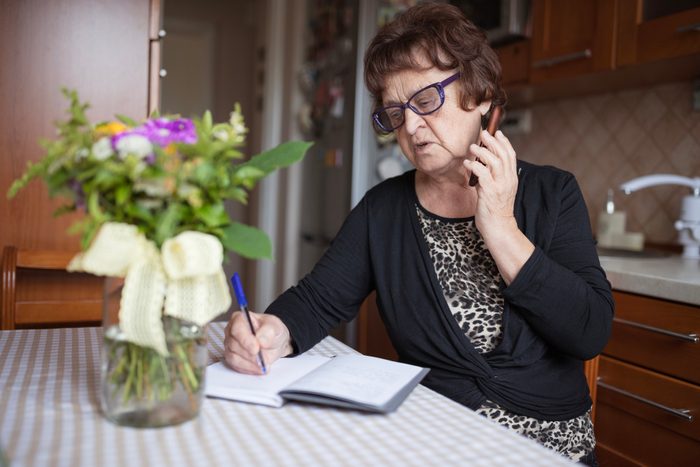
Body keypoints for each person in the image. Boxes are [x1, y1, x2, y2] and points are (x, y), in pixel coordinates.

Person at [224, 3, 613, 465]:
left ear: (482, 93)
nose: (409, 126)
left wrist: (502, 227)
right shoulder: (382, 209)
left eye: (426, 100)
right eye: (394, 111)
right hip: (435, 436)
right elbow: (317, 299)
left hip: (548, 447)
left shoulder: (553, 193)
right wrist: (273, 331)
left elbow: (590, 332)